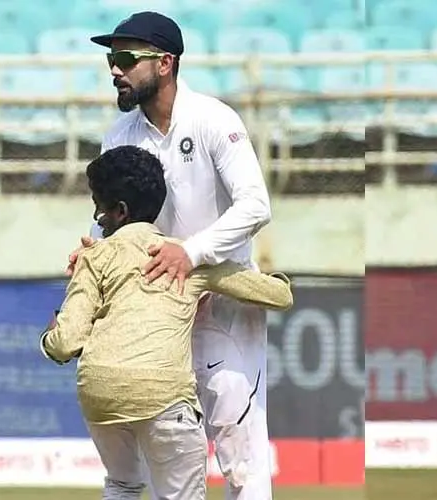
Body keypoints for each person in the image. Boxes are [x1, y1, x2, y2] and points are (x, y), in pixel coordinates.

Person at [66, 11, 275, 499]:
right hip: (157, 312)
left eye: (125, 59)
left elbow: (256, 205)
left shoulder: (213, 119)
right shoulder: (118, 137)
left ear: (164, 63)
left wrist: (192, 253)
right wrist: (95, 249)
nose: (114, 70)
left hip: (223, 301)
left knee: (241, 459)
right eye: (110, 60)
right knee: (164, 465)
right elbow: (120, 220)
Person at [41, 145, 293, 500]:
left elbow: (66, 342)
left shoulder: (93, 257)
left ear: (120, 211)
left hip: (99, 393)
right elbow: (278, 297)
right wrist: (277, 281)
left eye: (99, 207)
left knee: (122, 484)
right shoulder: (184, 257)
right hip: (163, 394)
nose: (97, 217)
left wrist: (50, 338)